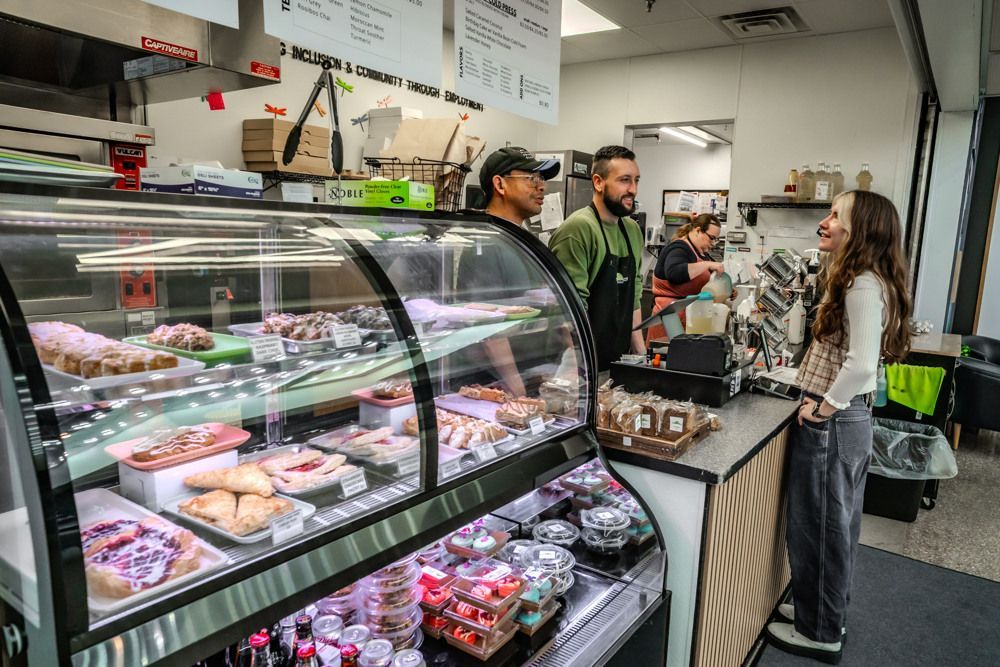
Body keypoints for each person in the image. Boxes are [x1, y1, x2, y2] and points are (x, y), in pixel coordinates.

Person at [766, 190, 912, 664]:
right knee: (830, 525)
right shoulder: (861, 278)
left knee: (823, 527)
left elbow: (862, 366)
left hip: (834, 422)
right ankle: (818, 610)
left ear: (859, 229)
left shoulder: (863, 286)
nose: (825, 222)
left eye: (835, 215)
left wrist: (823, 409)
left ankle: (821, 630)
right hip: (842, 419)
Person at [455, 147, 560, 396]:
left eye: (542, 179)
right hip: (494, 384)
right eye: (531, 179)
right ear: (500, 184)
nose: (541, 187)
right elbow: (489, 327)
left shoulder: (522, 240)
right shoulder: (485, 243)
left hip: (532, 373)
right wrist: (518, 392)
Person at [548, 146, 644, 370]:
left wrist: (640, 356)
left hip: (615, 361)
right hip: (577, 363)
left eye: (636, 180)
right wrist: (581, 373)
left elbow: (635, 295)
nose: (633, 189)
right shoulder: (579, 228)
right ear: (598, 182)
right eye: (624, 180)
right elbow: (567, 309)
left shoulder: (631, 229)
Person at [646, 213, 725, 342]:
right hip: (669, 319)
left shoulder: (702, 254)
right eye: (712, 238)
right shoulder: (678, 248)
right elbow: (675, 273)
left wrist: (726, 290)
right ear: (698, 230)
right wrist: (707, 264)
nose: (713, 243)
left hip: (690, 317)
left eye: (716, 240)